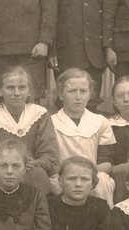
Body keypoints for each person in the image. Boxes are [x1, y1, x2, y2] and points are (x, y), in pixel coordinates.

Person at [0, 66, 58, 193]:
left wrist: (33, 164)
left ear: (29, 91)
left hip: (32, 170)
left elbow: (49, 154)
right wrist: (4, 168)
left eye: (22, 87)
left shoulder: (39, 114)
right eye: (10, 88)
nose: (16, 93)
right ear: (0, 91)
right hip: (1, 174)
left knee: (38, 174)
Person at [50, 68, 116, 204]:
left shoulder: (101, 122)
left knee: (102, 181)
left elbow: (106, 162)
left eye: (83, 91)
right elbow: (51, 163)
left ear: (90, 94)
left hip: (92, 176)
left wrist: (86, 175)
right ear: (61, 94)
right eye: (72, 91)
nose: (78, 97)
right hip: (62, 177)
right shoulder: (51, 122)